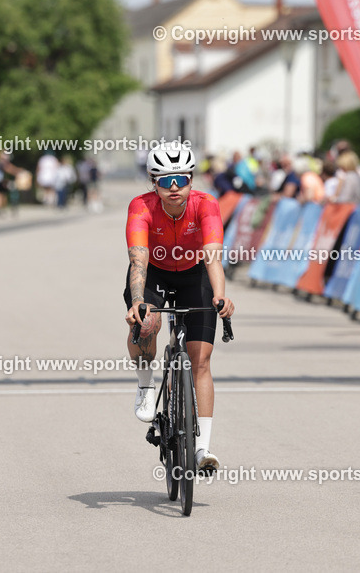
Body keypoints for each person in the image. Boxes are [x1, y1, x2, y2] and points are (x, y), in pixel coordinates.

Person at [124, 145, 235, 474]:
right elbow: (138, 258)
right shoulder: (140, 207)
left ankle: (202, 449)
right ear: (153, 183)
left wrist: (220, 296)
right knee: (147, 326)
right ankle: (145, 385)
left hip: (194, 274)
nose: (174, 186)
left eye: (181, 179)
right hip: (154, 274)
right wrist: (137, 302)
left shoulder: (206, 204)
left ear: (191, 180)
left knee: (200, 360)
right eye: (165, 179)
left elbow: (213, 255)